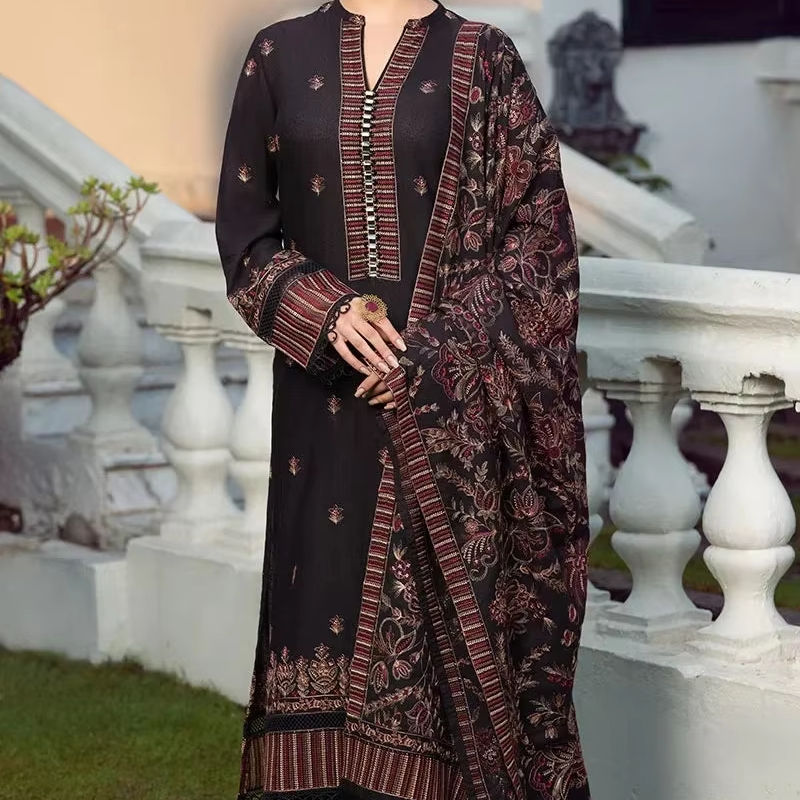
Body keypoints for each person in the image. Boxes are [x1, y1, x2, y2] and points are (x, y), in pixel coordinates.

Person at [215, 1, 592, 798]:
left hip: (447, 428)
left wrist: (432, 355)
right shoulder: (279, 53)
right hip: (321, 418)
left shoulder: (484, 58)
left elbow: (539, 243)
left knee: (434, 679)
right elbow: (246, 237)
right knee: (316, 629)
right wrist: (326, 314)